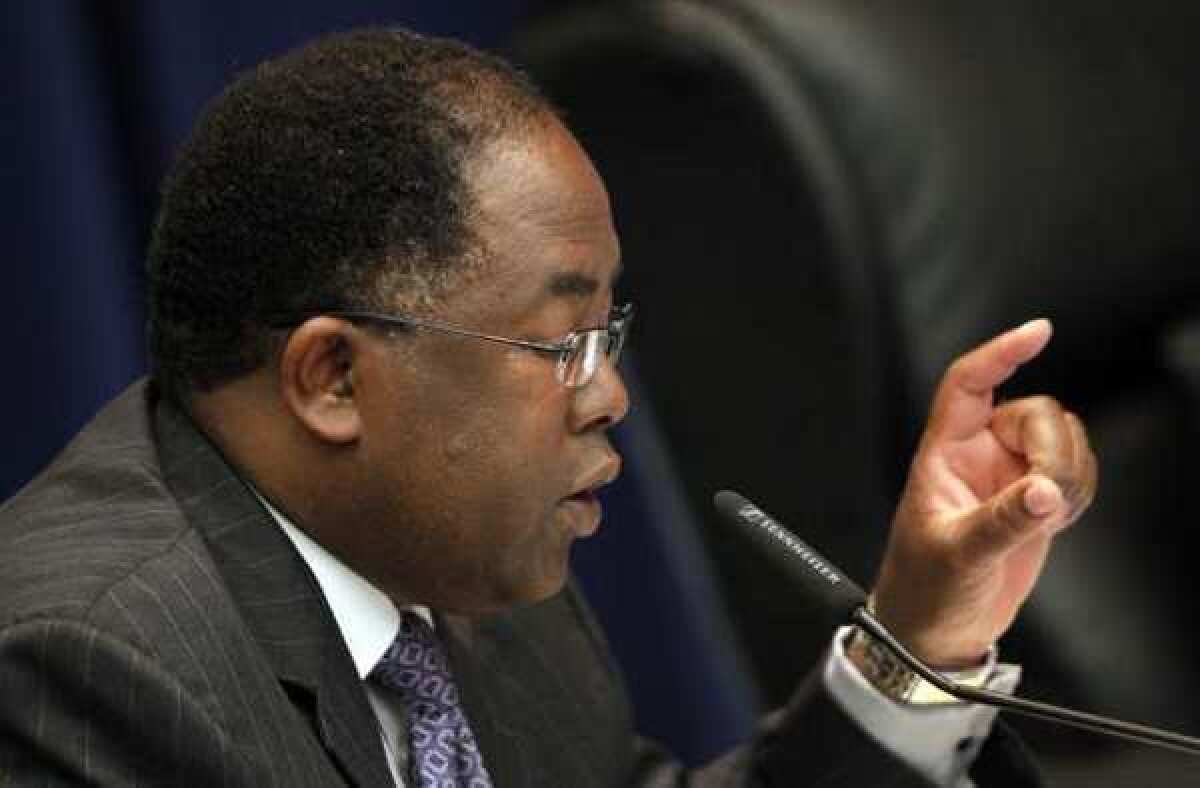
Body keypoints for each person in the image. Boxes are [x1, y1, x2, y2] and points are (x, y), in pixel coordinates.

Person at [0, 27, 1095, 787]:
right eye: (564, 341)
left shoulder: (451, 551)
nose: (609, 392)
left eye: (607, 335)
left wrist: (922, 629)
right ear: (333, 377)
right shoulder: (83, 663)